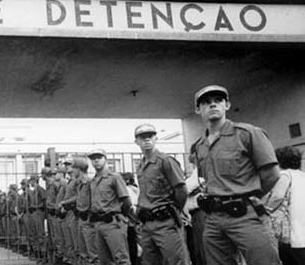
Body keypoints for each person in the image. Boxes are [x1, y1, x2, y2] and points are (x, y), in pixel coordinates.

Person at [189, 85, 281, 265]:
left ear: (227, 105)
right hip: (214, 219)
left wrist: (250, 197)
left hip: (246, 215)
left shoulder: (248, 134)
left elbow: (271, 174)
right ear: (198, 109)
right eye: (206, 102)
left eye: (218, 101)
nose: (213, 105)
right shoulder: (199, 146)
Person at [135, 123, 188, 265]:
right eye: (142, 137)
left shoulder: (166, 161)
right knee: (149, 262)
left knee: (176, 261)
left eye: (150, 136)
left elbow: (181, 190)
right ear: (137, 142)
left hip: (165, 221)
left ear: (156, 138)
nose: (147, 140)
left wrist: (174, 209)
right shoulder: (140, 166)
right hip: (147, 223)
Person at [88, 148, 132, 265]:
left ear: (105, 159)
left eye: (99, 158)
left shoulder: (114, 177)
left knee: (121, 259)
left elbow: (126, 201)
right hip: (98, 223)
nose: (96, 161)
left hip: (112, 222)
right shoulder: (93, 181)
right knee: (104, 260)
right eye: (93, 159)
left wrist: (119, 215)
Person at [262, 146, 305, 264]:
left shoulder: (285, 175)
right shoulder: (302, 175)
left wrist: (261, 208)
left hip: (293, 236)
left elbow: (277, 197)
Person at [27, 174, 46, 261]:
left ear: (35, 181)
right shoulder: (33, 191)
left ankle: (43, 254)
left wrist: (36, 206)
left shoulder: (40, 190)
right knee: (34, 233)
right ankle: (37, 252)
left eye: (32, 180)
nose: (31, 182)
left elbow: (44, 201)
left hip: (38, 212)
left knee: (40, 233)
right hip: (33, 213)